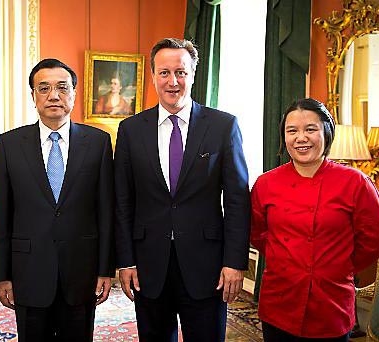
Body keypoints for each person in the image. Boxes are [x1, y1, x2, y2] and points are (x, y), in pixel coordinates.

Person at [114, 37, 251, 341]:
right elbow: (123, 201)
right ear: (153, 76)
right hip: (149, 266)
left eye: (180, 72)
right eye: (164, 73)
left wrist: (234, 262)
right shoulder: (130, 130)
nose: (172, 81)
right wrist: (125, 260)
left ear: (192, 75)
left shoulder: (223, 126)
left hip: (208, 267)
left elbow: (238, 200)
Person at [0, 58, 115, 342]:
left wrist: (106, 269)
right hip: (28, 270)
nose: (54, 95)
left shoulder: (98, 142)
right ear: (33, 96)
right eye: (43, 88)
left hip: (81, 270)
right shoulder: (8, 145)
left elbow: (106, 209)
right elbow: (0, 214)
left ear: (73, 93)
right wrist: (1, 274)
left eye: (62, 87)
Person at [251, 98, 379, 341]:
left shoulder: (356, 183)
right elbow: (258, 234)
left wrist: (336, 265)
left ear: (326, 132)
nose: (301, 137)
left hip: (331, 304)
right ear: (284, 137)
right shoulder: (265, 183)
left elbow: (372, 240)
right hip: (279, 301)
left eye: (311, 129)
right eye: (292, 131)